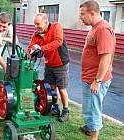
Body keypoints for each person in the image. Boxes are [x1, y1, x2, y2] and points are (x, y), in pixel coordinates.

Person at [79, 1, 116, 140]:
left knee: (93, 110)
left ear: (92, 13)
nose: (81, 17)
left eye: (83, 14)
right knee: (88, 109)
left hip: (96, 80)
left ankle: (93, 137)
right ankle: (90, 127)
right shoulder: (95, 27)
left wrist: (97, 81)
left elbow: (106, 57)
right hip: (89, 78)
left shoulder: (103, 29)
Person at [27, 13, 70, 122]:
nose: (36, 27)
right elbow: (30, 48)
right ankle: (55, 108)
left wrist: (41, 48)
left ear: (46, 22)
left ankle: (66, 111)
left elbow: (58, 42)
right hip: (49, 63)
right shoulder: (36, 35)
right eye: (34, 24)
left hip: (61, 63)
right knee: (51, 87)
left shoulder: (56, 26)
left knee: (62, 88)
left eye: (38, 24)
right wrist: (29, 54)